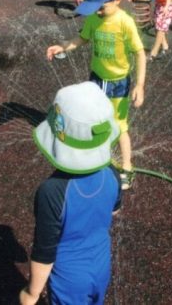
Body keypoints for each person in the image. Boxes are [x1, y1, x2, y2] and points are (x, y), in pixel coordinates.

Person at [20, 81, 122, 305]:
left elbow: (44, 251)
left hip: (69, 277)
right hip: (102, 263)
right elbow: (113, 211)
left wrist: (32, 292)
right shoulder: (112, 173)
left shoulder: (52, 191)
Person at [46, 0, 146, 190]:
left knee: (119, 126)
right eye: (94, 8)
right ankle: (99, 157)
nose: (98, 12)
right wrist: (63, 46)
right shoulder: (93, 18)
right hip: (96, 79)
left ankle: (127, 167)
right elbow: (82, 38)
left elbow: (139, 53)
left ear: (117, 0)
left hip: (119, 81)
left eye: (101, 7)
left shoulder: (124, 23)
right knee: (95, 119)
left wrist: (139, 85)